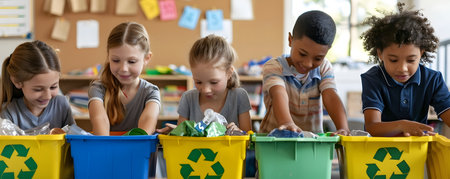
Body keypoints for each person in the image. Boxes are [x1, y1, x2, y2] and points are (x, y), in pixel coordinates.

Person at [360, 3, 450, 137]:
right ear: (380, 54)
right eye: (393, 60)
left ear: (421, 53)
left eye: (411, 60)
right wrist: (401, 126)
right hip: (379, 151)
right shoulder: (372, 79)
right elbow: (372, 126)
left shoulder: (433, 79)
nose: (402, 68)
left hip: (416, 151)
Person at [259, 10, 349, 135]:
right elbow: (278, 93)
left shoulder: (324, 67)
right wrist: (287, 123)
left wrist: (343, 128)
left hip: (312, 142)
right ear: (290, 40)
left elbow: (330, 95)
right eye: (302, 54)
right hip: (275, 141)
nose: (308, 64)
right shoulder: (274, 66)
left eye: (317, 58)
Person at [159, 35, 252, 133]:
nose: (205, 89)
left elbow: (248, 138)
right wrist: (176, 132)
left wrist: (239, 132)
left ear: (229, 73)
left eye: (214, 82)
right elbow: (184, 136)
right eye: (198, 82)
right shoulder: (188, 98)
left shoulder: (239, 96)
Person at [88, 22, 160, 136]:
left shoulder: (151, 92)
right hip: (107, 151)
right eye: (116, 60)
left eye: (131, 61)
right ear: (108, 56)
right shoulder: (98, 88)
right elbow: (99, 122)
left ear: (147, 58)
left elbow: (145, 131)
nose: (123, 69)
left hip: (138, 152)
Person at [0, 40, 75, 133]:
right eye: (38, 89)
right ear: (17, 81)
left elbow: (74, 141)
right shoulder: (9, 112)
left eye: (53, 87)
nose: (47, 96)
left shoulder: (62, 105)